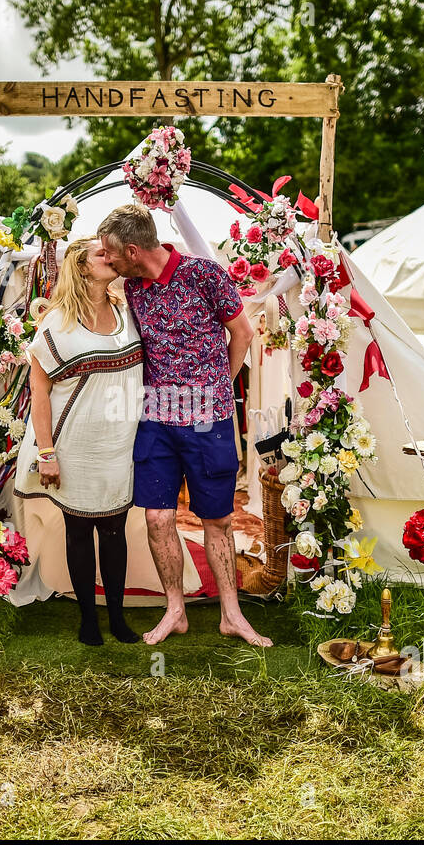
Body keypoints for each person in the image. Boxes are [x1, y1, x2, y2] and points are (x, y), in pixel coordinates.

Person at [97, 204, 270, 647]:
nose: (108, 259)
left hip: (208, 421)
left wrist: (218, 388)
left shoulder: (205, 275)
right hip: (155, 419)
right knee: (157, 518)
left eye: (111, 253)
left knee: (217, 519)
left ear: (133, 250)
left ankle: (232, 614)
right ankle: (175, 610)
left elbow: (243, 334)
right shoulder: (132, 287)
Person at [13, 237, 144, 645]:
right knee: (79, 532)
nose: (111, 257)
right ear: (82, 267)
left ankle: (118, 617)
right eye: (101, 254)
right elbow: (39, 392)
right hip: (75, 446)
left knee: (115, 531)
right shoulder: (57, 324)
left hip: (119, 444)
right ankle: (89, 618)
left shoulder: (128, 312)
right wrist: (46, 451)